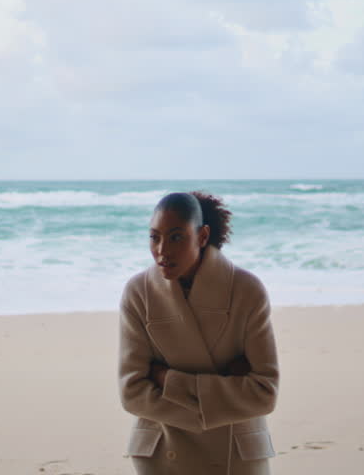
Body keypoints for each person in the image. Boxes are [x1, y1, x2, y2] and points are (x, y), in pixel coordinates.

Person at [118, 191, 279, 474]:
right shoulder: (138, 292)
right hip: (162, 452)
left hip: (236, 457)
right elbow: (132, 392)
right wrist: (224, 391)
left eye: (176, 237)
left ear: (203, 236)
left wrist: (167, 379)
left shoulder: (247, 290)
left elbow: (264, 393)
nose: (162, 250)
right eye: (154, 237)